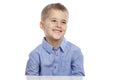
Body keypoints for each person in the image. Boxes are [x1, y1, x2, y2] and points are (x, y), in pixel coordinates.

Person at [25, 3, 85, 76]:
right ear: (42, 25)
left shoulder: (75, 52)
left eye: (63, 22)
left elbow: (78, 77)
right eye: (54, 21)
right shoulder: (35, 55)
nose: (59, 25)